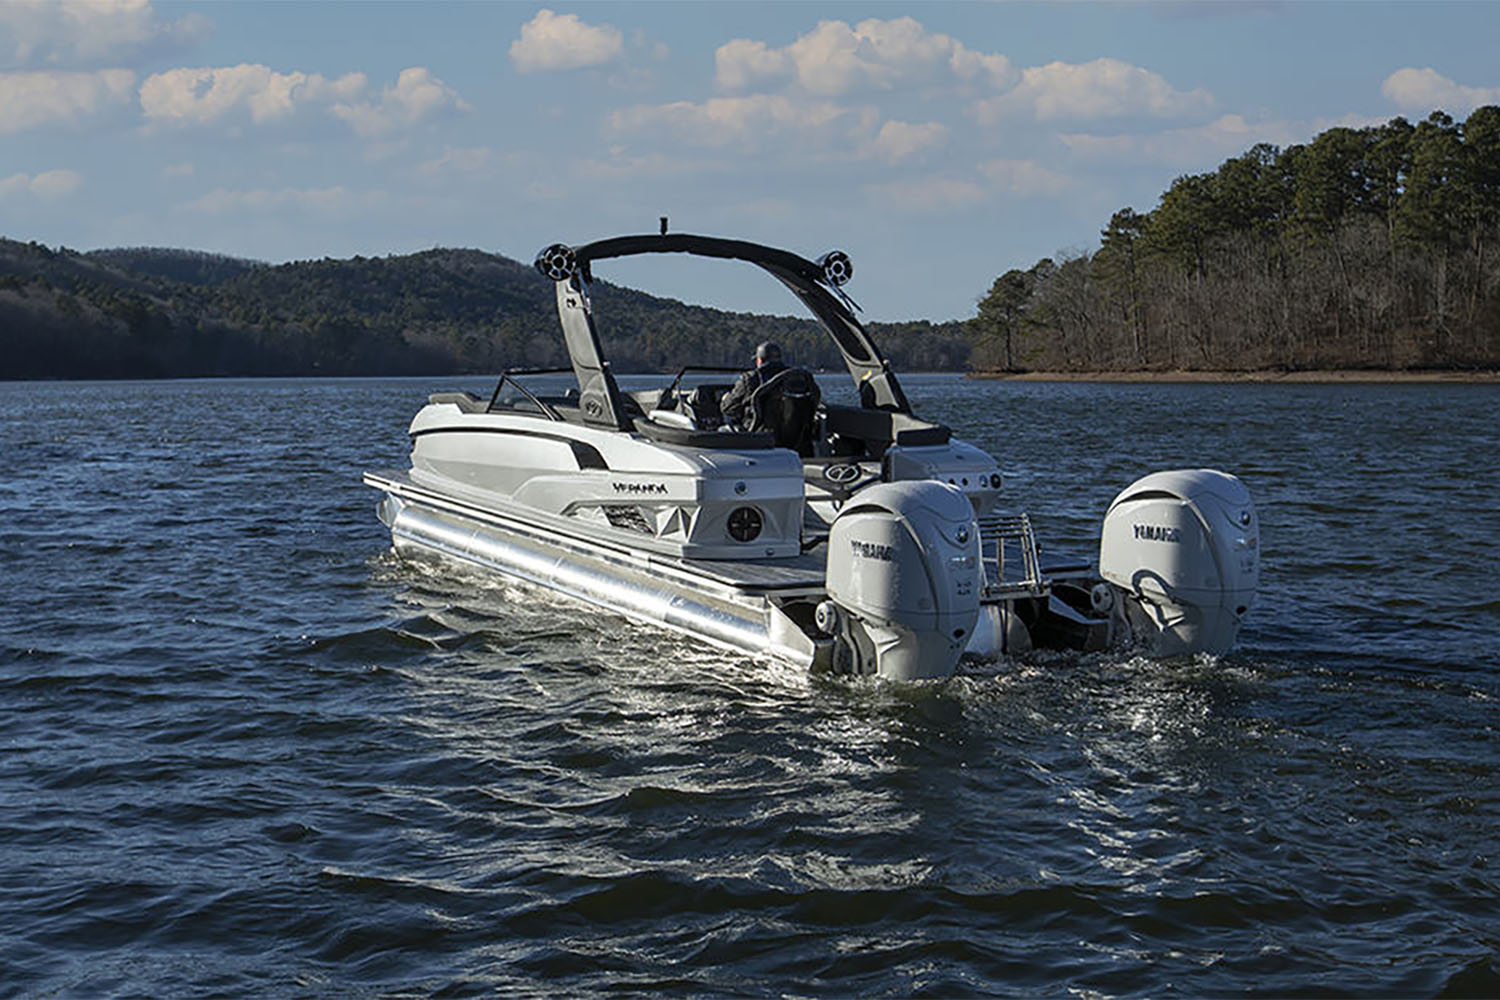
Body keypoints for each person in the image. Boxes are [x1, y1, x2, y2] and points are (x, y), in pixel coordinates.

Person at [719, 341, 787, 429]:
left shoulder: (750, 378)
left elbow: (728, 407)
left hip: (758, 434)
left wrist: (725, 399)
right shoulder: (795, 377)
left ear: (760, 360)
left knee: (722, 429)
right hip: (793, 434)